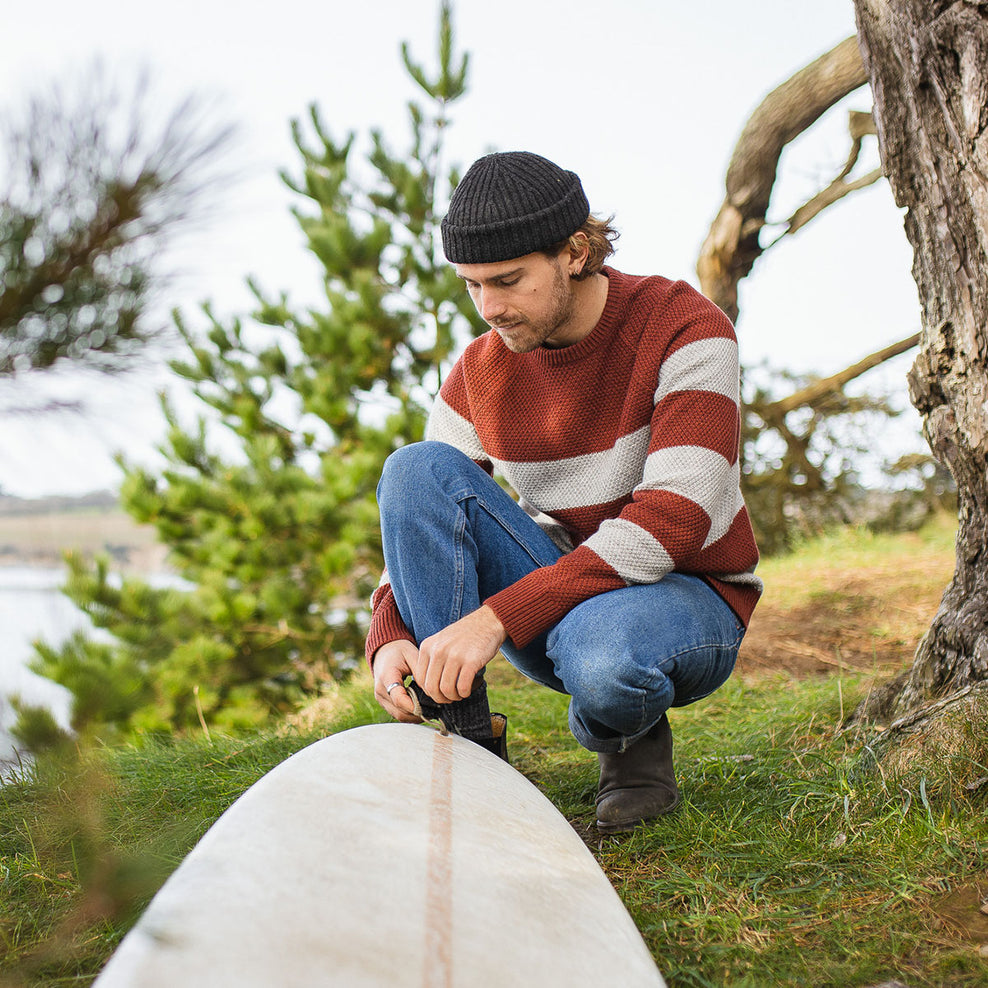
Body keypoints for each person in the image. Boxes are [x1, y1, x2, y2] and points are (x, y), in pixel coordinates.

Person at [365, 151, 761, 834]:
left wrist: (496, 619)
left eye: (508, 281)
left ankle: (630, 747)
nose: (490, 308)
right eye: (471, 285)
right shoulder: (480, 369)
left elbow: (675, 519)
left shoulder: (683, 327)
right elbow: (423, 509)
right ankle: (471, 745)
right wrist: (390, 630)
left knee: (600, 655)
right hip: (564, 585)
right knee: (415, 467)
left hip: (691, 593)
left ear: (575, 252)